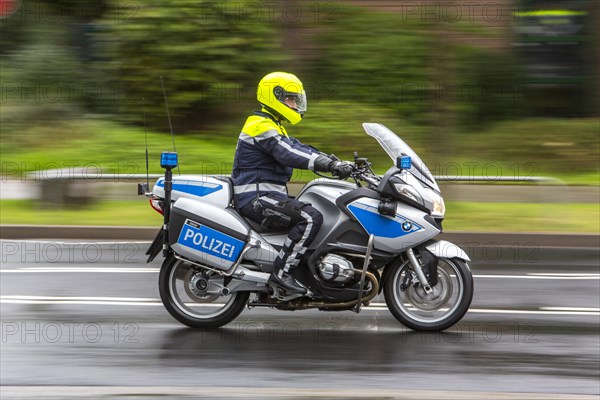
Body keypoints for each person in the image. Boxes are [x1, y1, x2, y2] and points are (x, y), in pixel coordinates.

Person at [232, 72, 353, 295]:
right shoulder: (259, 125)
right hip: (256, 198)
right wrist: (327, 165)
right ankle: (281, 273)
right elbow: (287, 153)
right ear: (274, 96)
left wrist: (336, 161)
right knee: (310, 217)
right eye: (290, 99)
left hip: (268, 195)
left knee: (318, 211)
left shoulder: (273, 125)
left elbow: (301, 148)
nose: (294, 104)